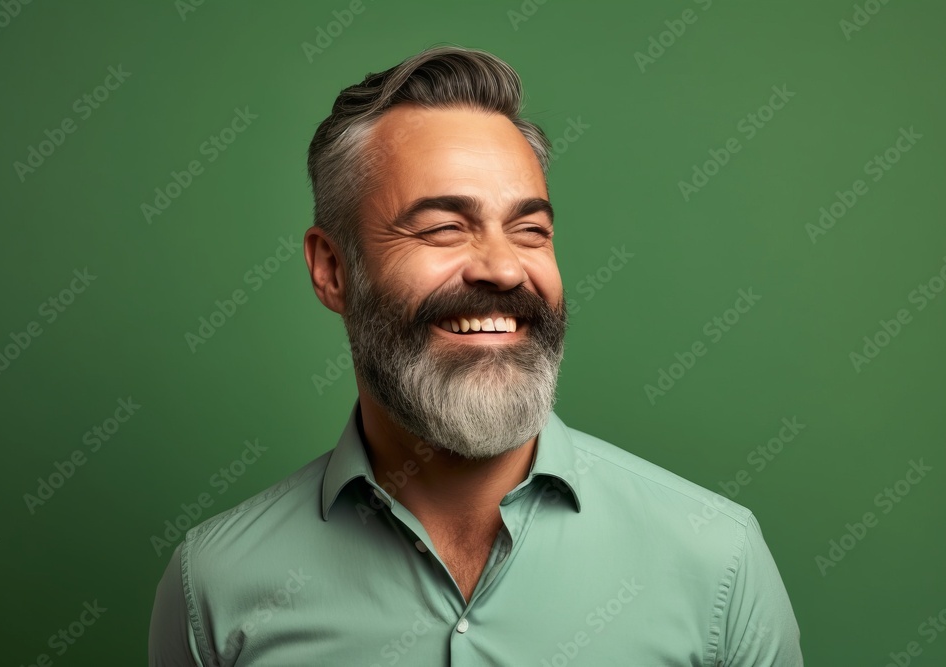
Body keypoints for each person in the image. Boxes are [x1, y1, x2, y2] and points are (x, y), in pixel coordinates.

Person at [149, 45, 802, 666]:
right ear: (332, 269)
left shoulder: (717, 560)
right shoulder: (214, 584)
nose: (503, 268)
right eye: (444, 228)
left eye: (530, 231)